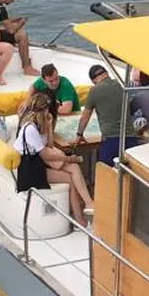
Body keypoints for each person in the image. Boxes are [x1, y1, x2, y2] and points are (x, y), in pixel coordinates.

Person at [13, 89, 89, 226]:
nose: (49, 112)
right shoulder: (30, 128)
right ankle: (78, 216)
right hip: (30, 169)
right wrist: (67, 158)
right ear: (43, 110)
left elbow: (49, 144)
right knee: (70, 177)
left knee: (74, 168)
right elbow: (45, 153)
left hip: (38, 163)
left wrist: (48, 126)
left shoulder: (39, 125)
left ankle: (83, 208)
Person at [81, 64, 128, 166]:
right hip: (130, 139)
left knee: (105, 174)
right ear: (107, 73)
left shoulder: (94, 90)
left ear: (93, 81)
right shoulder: (123, 85)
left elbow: (85, 115)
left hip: (111, 140)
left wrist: (79, 134)